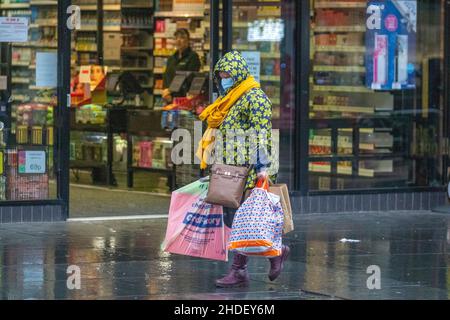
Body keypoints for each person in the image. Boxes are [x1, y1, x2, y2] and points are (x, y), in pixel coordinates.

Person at [196, 50, 290, 288]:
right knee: (238, 216)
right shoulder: (232, 98)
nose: (224, 78)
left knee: (243, 217)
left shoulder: (254, 97)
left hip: (252, 168)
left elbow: (262, 134)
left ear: (238, 73)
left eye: (227, 73)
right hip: (233, 167)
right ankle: (274, 254)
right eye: (221, 74)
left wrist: (262, 168)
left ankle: (240, 270)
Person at [162, 28, 201, 103]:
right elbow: (166, 76)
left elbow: (190, 77)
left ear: (188, 40)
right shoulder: (171, 58)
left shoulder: (193, 57)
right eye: (176, 38)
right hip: (169, 98)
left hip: (185, 98)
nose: (178, 40)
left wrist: (170, 91)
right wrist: (165, 91)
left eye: (182, 37)